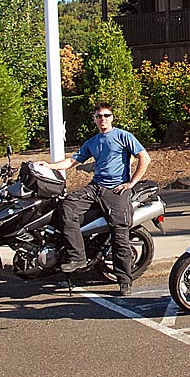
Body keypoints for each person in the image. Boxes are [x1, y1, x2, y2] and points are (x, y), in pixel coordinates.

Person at [41, 102, 151, 296]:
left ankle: (125, 281)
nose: (103, 119)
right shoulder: (92, 142)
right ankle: (77, 257)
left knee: (119, 235)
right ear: (94, 119)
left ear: (112, 117)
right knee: (66, 207)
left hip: (117, 189)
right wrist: (48, 166)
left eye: (106, 115)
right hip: (95, 187)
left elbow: (144, 157)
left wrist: (131, 183)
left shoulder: (123, 136)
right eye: (99, 116)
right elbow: (72, 161)